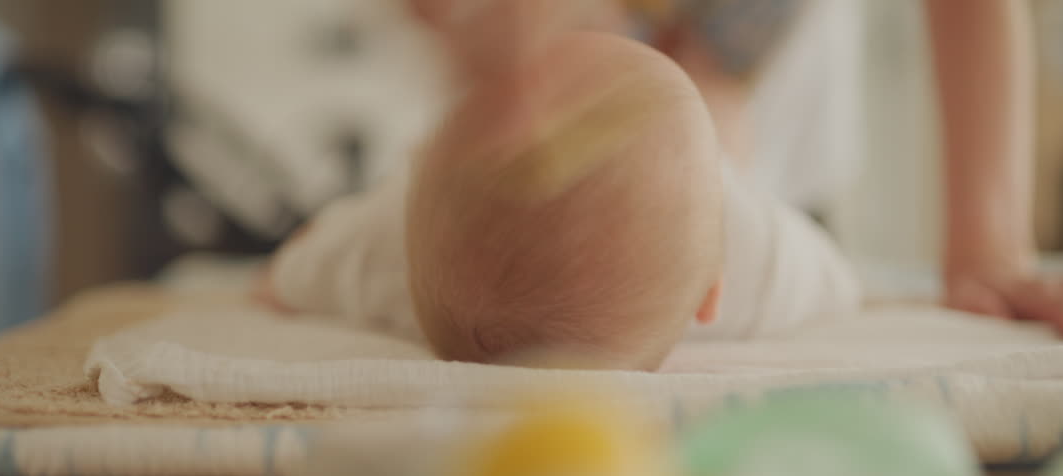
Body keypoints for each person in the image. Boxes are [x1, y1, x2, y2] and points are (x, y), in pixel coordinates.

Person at [264, 25, 860, 369]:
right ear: (714, 294)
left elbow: (307, 263)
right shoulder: (757, 251)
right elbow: (836, 281)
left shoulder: (391, 245)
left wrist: (280, 276)